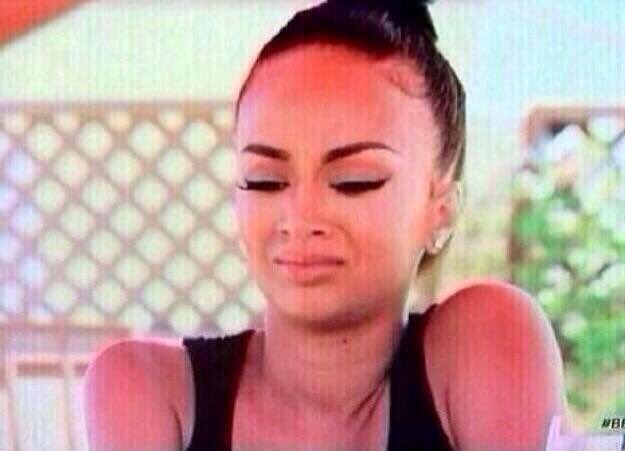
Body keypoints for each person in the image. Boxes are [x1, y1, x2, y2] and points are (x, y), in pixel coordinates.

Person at [84, 0, 569, 449]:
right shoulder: (147, 387)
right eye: (265, 180)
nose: (301, 217)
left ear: (441, 208)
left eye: (354, 181)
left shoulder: (484, 339)